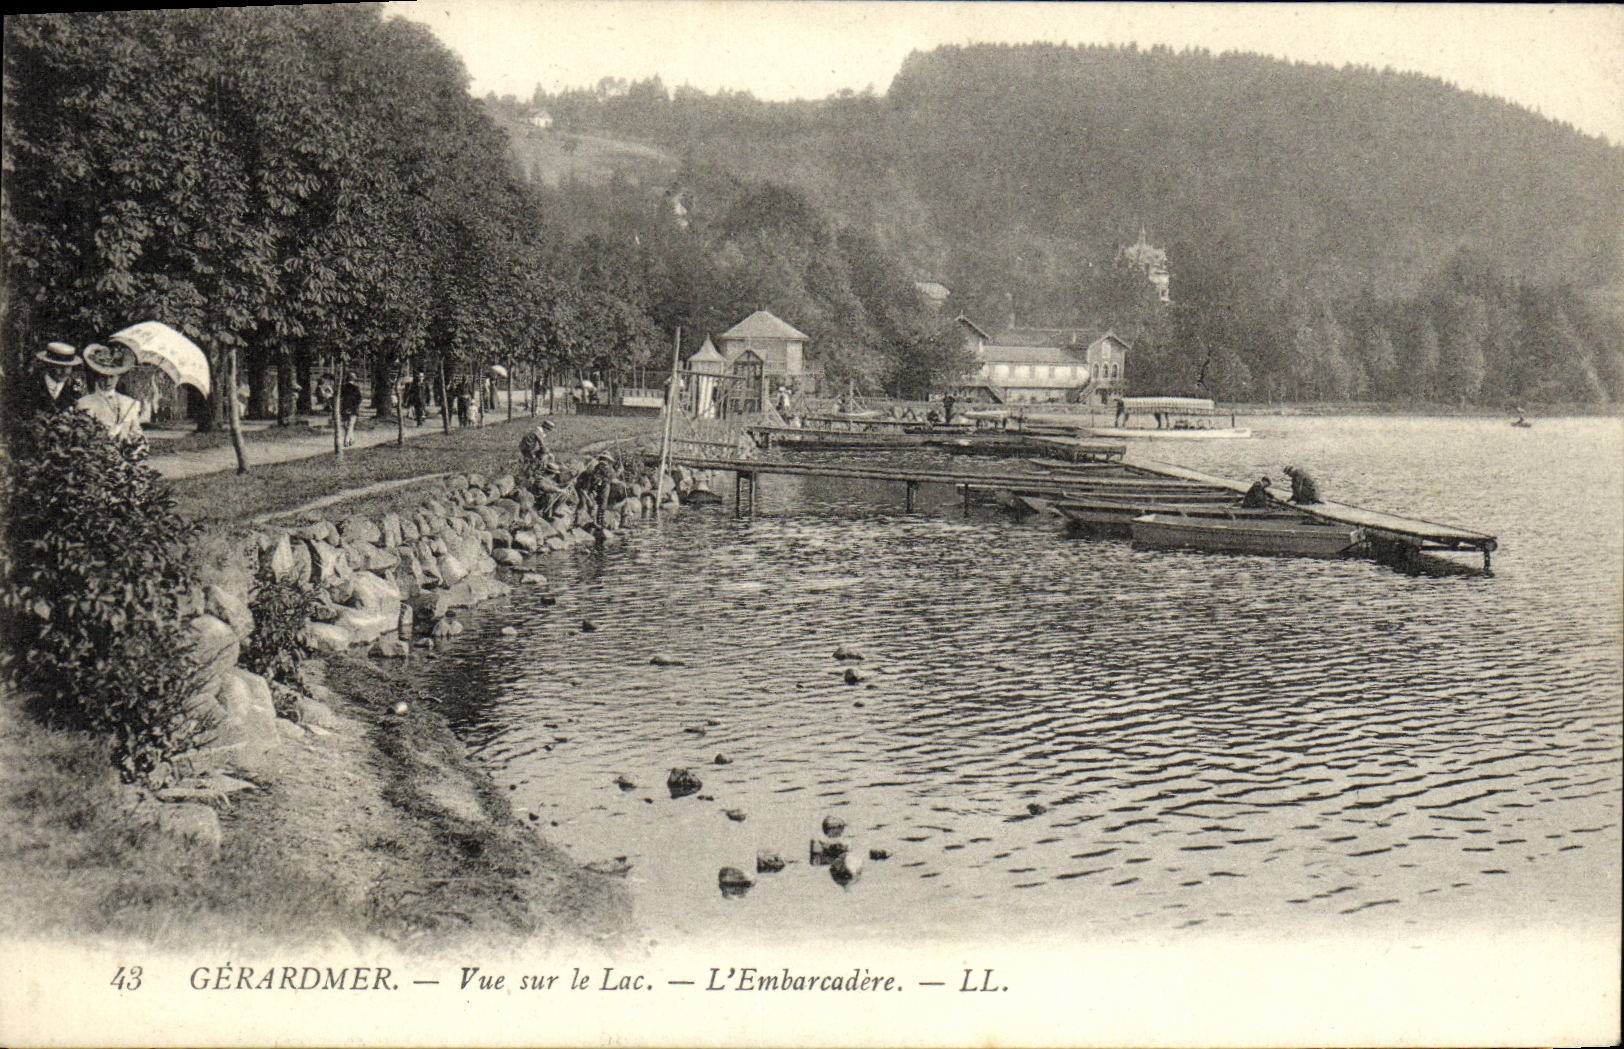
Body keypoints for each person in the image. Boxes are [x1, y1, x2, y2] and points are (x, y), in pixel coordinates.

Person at [75, 343, 143, 443]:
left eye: (112, 377)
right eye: (103, 376)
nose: (108, 382)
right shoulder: (84, 403)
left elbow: (137, 436)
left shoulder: (130, 403)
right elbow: (81, 438)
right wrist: (106, 436)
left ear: (118, 377)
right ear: (97, 376)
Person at [28, 341, 84, 414]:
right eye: (59, 367)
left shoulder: (75, 388)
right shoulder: (32, 385)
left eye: (68, 367)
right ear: (48, 365)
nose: (64, 371)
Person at [339, 376, 362, 446]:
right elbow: (359, 399)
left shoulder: (342, 388)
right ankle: (346, 440)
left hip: (344, 408)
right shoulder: (356, 388)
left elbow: (339, 398)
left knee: (346, 425)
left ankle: (351, 439)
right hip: (353, 409)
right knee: (351, 424)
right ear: (354, 380)